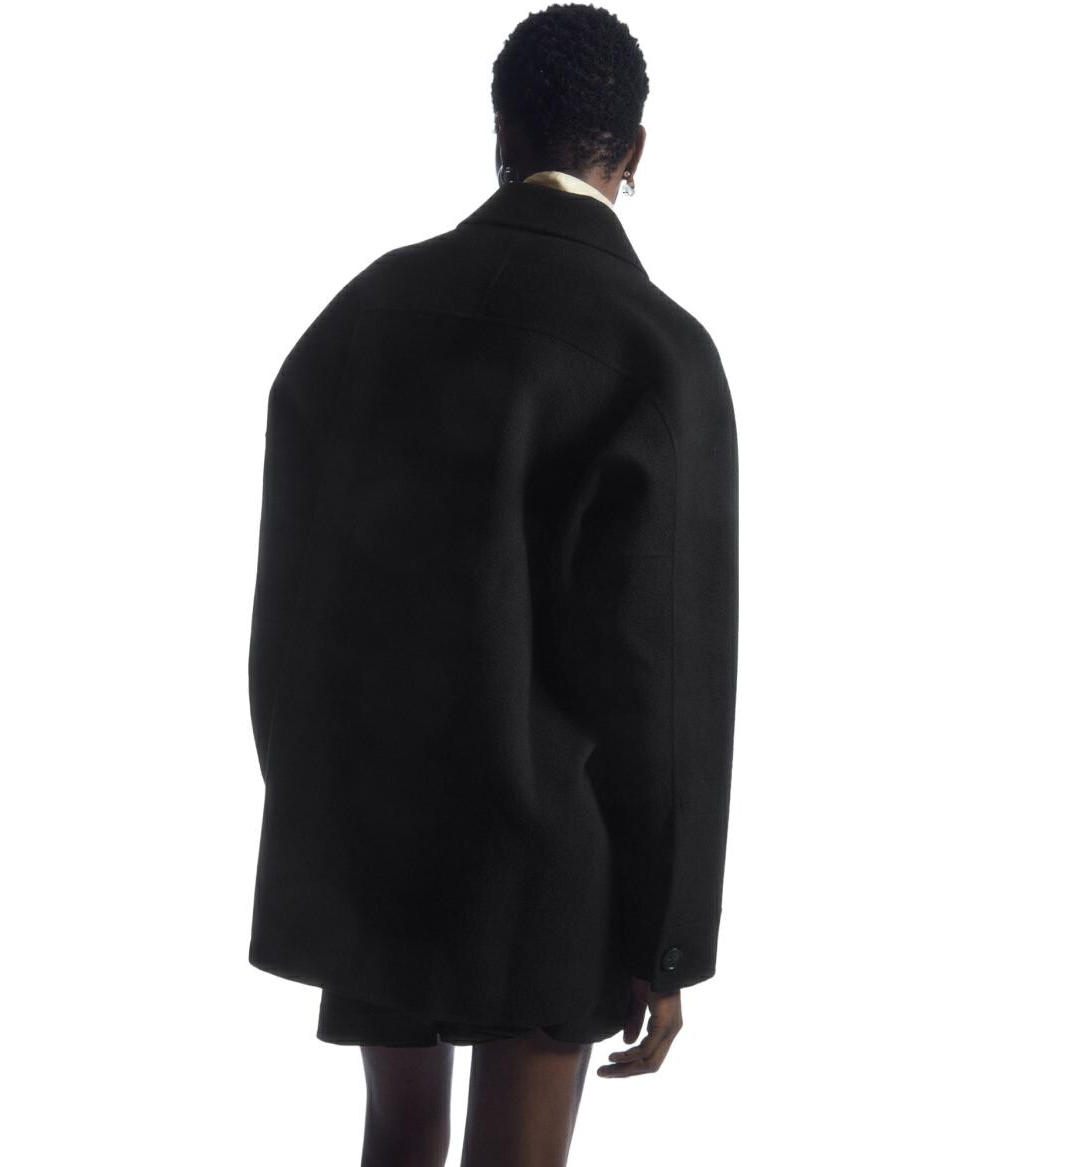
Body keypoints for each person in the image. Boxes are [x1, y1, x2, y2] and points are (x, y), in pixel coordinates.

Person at [246, 4, 739, 1163]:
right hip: (551, 864)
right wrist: (667, 939)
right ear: (637, 150)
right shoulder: (656, 351)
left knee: (397, 1138)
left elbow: (291, 608)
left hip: (375, 837)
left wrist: (325, 818)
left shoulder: (365, 312)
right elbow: (663, 675)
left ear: (500, 133)